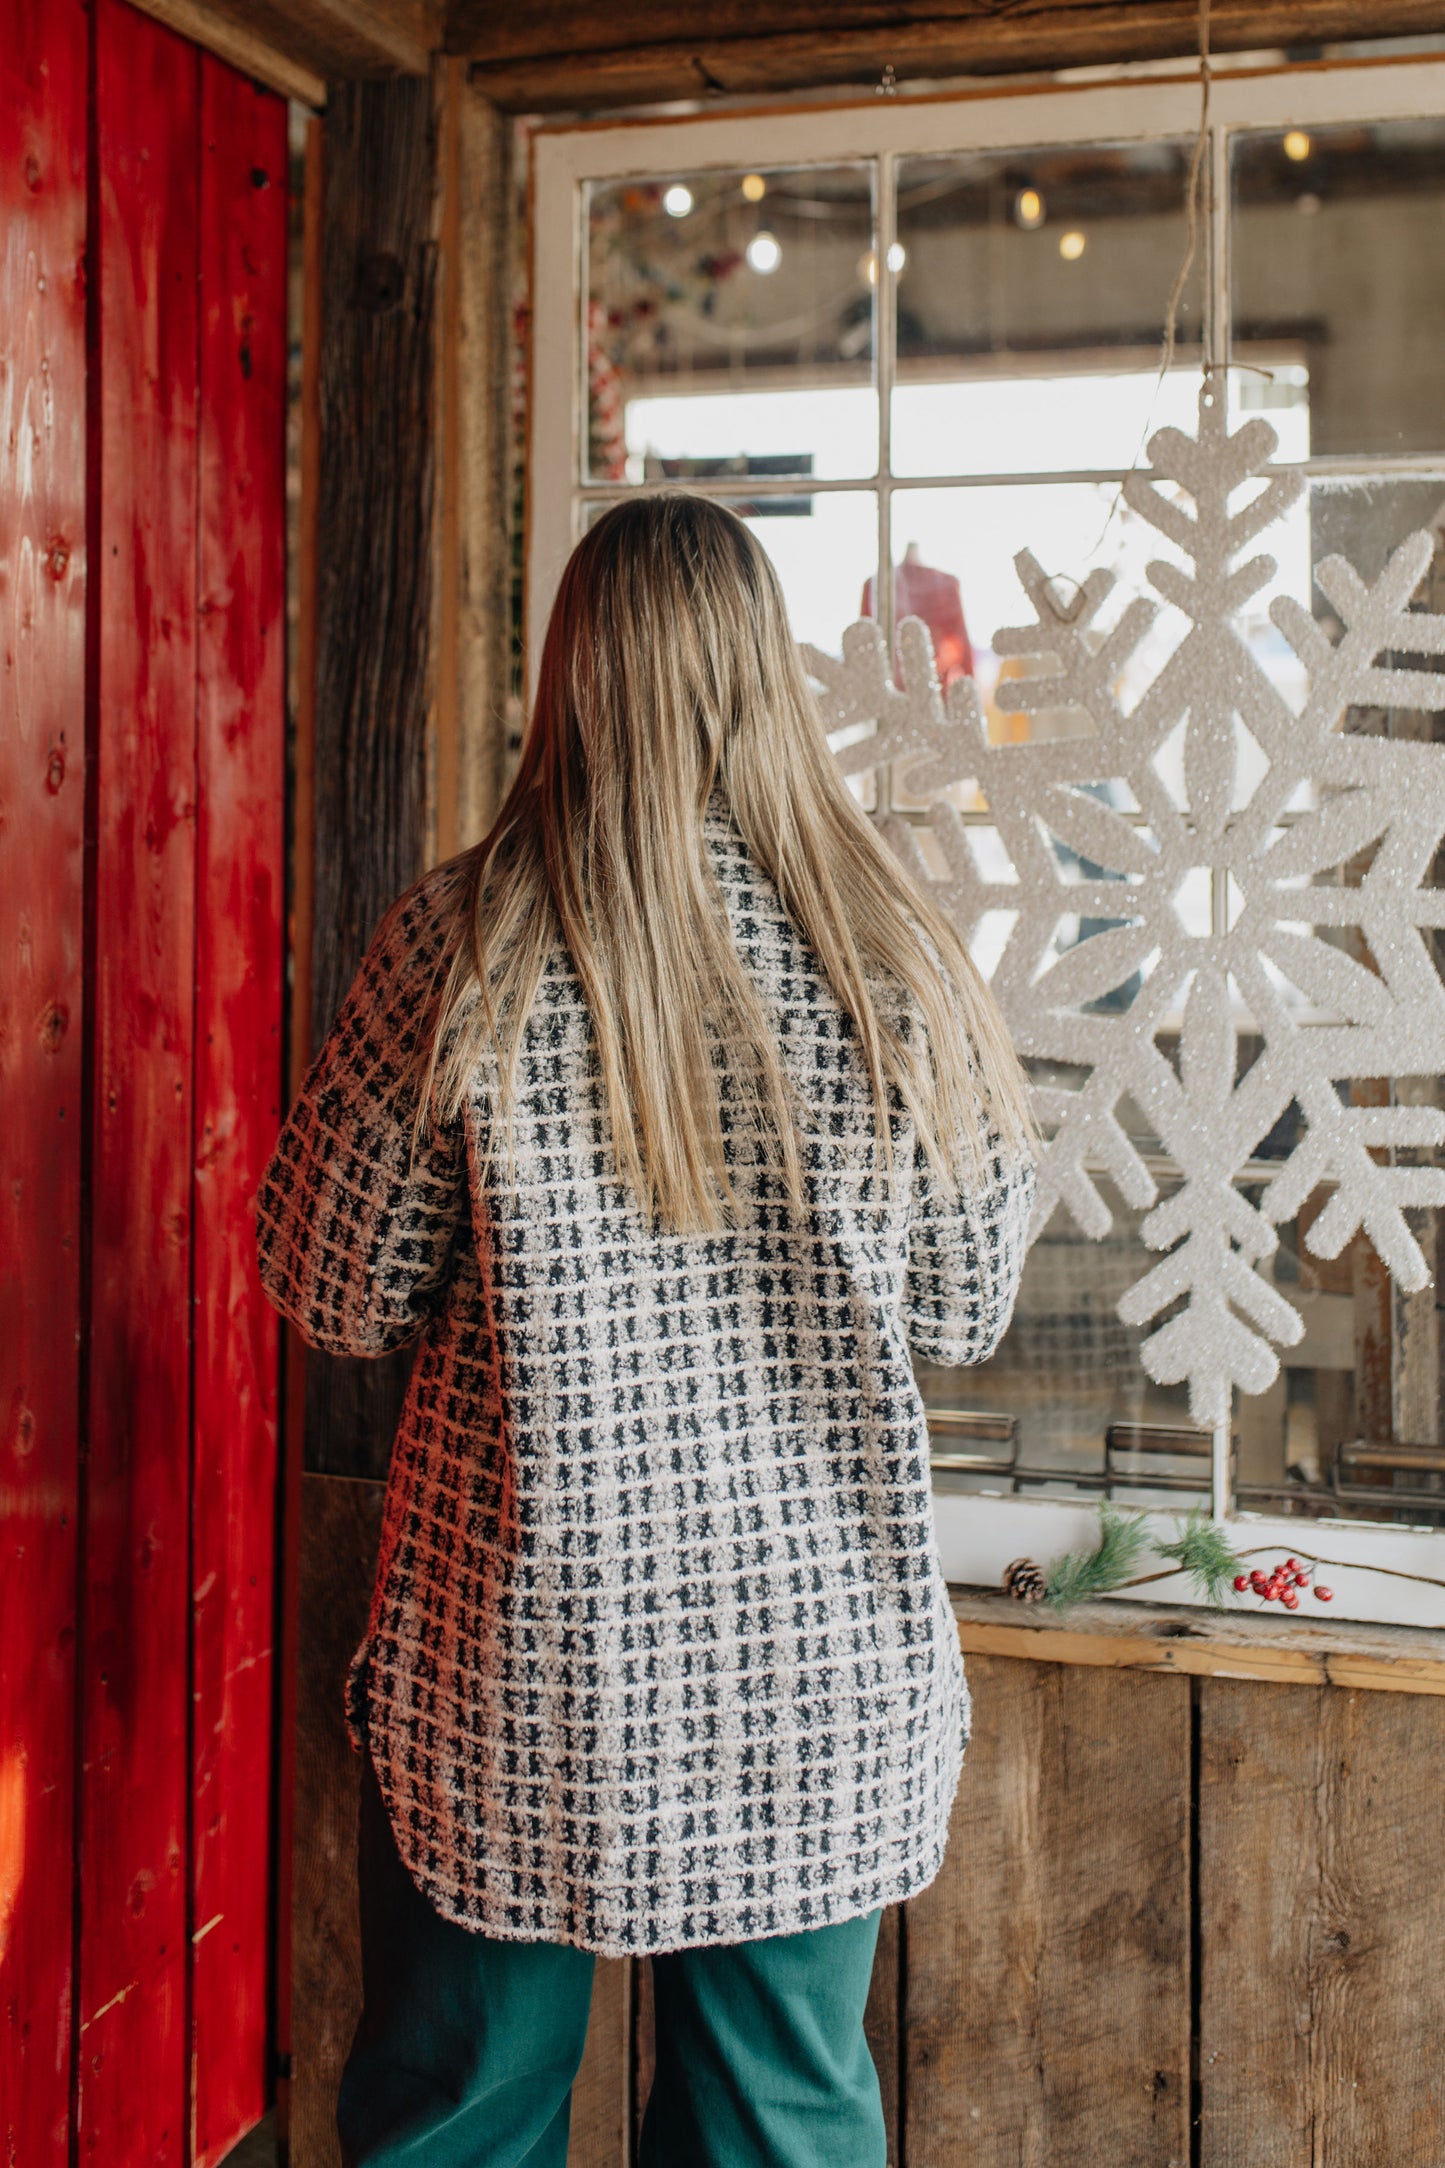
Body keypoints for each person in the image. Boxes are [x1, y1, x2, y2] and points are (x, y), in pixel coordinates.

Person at [255, 494, 1035, 2168]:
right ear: (766, 673)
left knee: (460, 2119)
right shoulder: (894, 957)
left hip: (522, 1661)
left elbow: (331, 1287)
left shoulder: (462, 942)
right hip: (813, 1666)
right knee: (777, 2130)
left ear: (573, 675)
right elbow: (967, 1306)